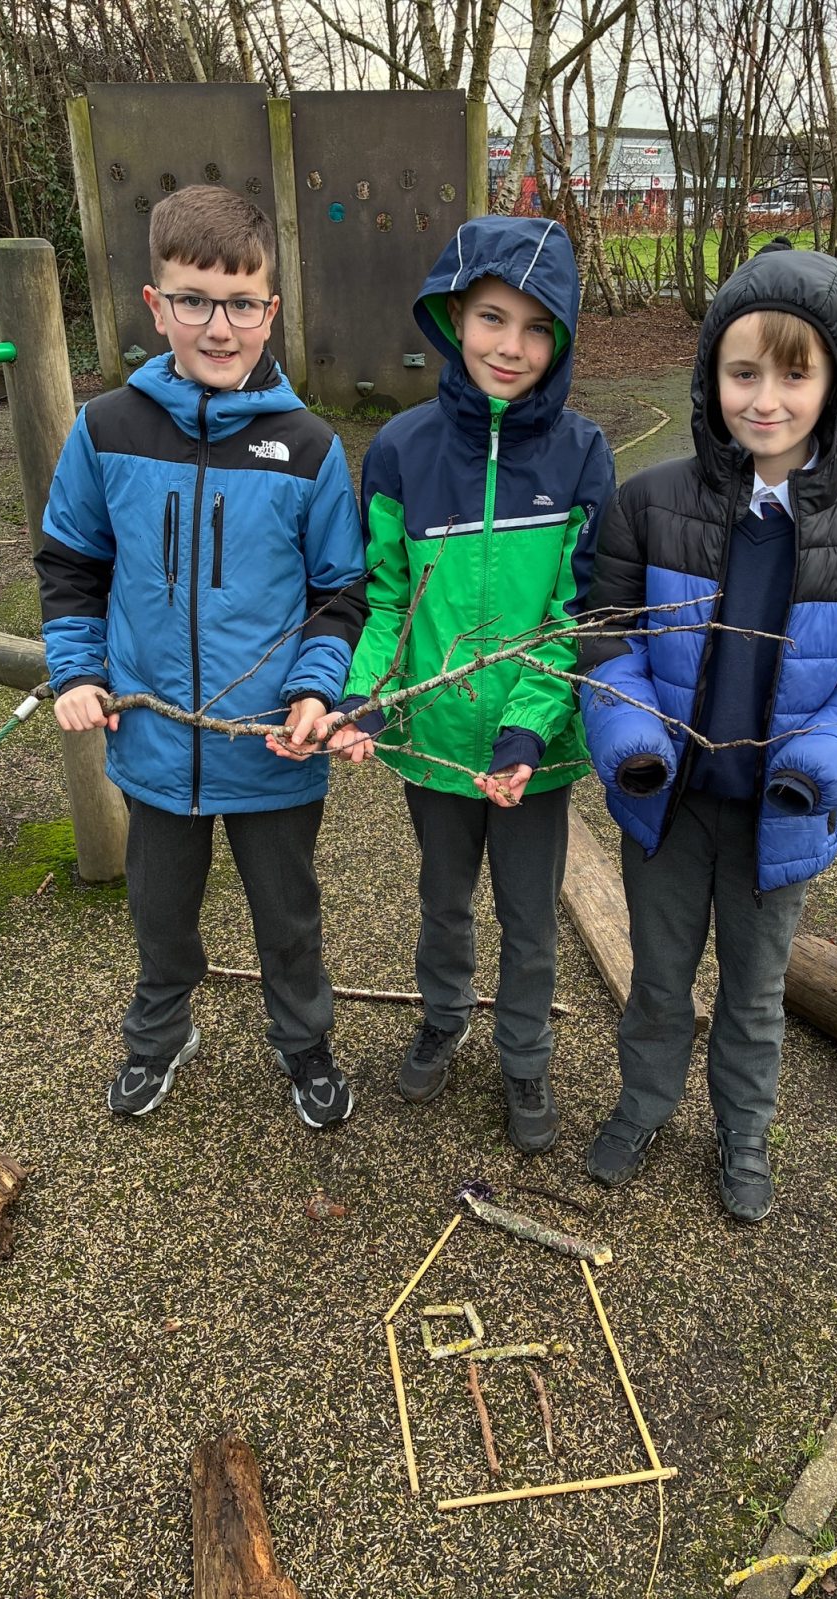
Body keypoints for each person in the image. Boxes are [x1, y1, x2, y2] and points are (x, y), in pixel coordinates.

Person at [578, 240, 837, 1218]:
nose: (765, 399)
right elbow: (606, 637)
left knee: (754, 989)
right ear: (711, 376)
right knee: (658, 979)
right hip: (668, 806)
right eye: (743, 373)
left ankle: (743, 1132)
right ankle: (644, 1104)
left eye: (793, 374)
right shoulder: (648, 504)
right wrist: (631, 743)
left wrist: (822, 759)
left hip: (782, 812)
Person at [36, 185, 366, 1129]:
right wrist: (80, 671)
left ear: (271, 308)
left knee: (287, 916)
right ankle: (159, 1033)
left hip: (271, 747)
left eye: (242, 304)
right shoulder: (107, 429)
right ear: (156, 304)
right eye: (194, 300)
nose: (219, 327)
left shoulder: (308, 447)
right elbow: (71, 562)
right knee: (160, 912)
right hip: (152, 742)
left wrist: (315, 690)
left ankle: (303, 1042)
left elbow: (340, 591)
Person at [311, 216, 615, 1155]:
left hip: (534, 751)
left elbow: (574, 617)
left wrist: (528, 729)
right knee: (443, 899)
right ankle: (443, 1015)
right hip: (435, 743)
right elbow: (388, 602)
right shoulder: (401, 450)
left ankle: (524, 1054)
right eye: (492, 318)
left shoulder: (582, 453)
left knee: (530, 916)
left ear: (561, 339)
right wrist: (367, 700)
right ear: (452, 317)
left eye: (536, 328)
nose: (511, 346)